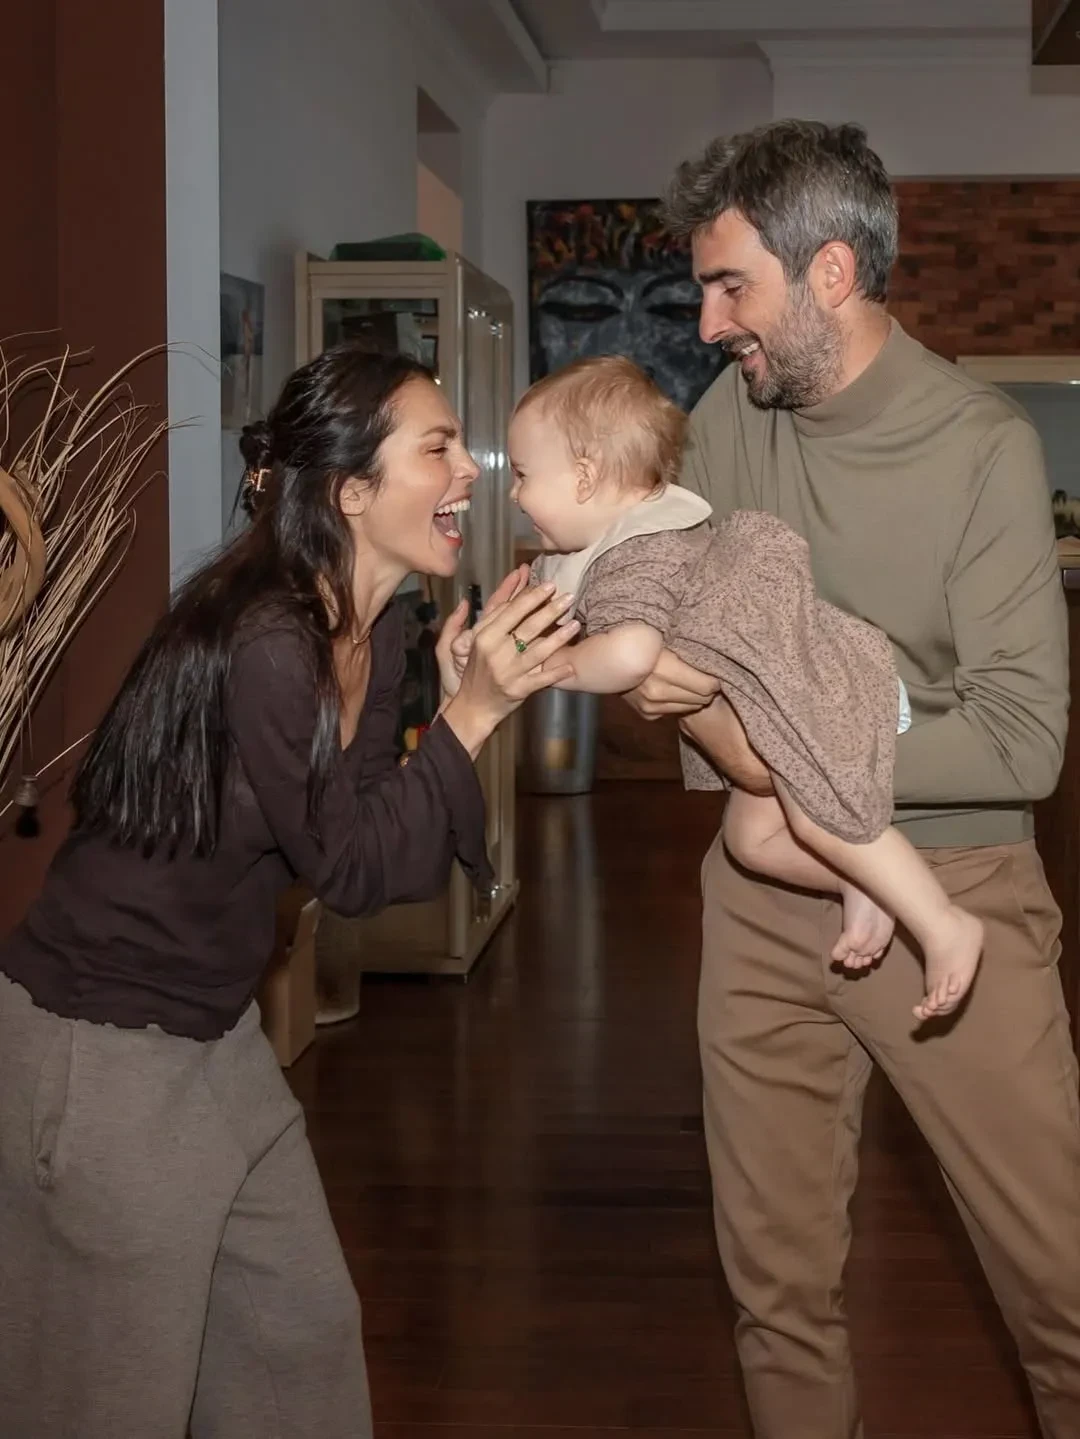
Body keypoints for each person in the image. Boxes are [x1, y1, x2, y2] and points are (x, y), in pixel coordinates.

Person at [0, 344, 578, 1439]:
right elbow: (351, 871)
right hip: (103, 1056)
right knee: (104, 1397)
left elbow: (368, 848)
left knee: (296, 1342)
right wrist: (467, 722)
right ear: (353, 491)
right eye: (440, 447)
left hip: (212, 1034)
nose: (470, 470)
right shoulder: (269, 637)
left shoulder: (381, 625)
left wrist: (452, 716)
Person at [623, 120, 1080, 1437]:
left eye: (731, 287)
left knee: (1061, 1286)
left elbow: (1021, 741)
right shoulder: (731, 418)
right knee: (774, 1293)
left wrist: (784, 757)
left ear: (830, 272)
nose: (708, 326)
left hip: (955, 889)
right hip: (764, 899)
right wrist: (728, 727)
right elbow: (672, 656)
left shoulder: (983, 446)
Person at [498, 354, 982, 1021]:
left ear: (583, 478)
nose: (513, 493)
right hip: (767, 702)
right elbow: (542, 617)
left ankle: (942, 922)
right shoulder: (597, 547)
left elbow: (632, 653)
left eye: (522, 475)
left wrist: (553, 669)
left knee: (817, 815)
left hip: (815, 687)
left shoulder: (638, 553)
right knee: (750, 841)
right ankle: (863, 882)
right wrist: (497, 644)